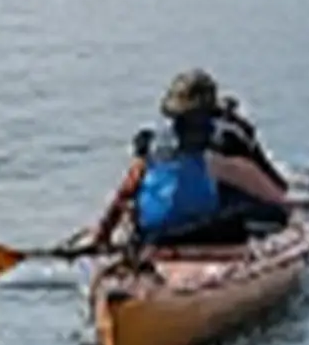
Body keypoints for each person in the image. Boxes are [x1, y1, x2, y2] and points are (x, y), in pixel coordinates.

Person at [90, 70, 293, 249]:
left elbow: (125, 191)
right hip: (202, 231)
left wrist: (102, 236)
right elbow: (272, 191)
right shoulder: (223, 142)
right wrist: (284, 207)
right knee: (267, 211)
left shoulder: (149, 143)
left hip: (152, 233)